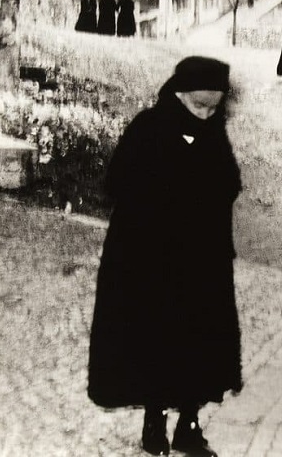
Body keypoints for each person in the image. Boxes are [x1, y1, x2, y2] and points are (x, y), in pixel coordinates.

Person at [88, 57, 243, 457]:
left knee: (197, 341)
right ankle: (154, 421)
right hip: (152, 260)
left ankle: (189, 425)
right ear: (178, 94)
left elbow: (229, 183)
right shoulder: (148, 127)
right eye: (198, 106)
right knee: (156, 339)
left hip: (202, 262)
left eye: (213, 108)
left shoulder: (214, 133)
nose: (206, 114)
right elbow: (117, 181)